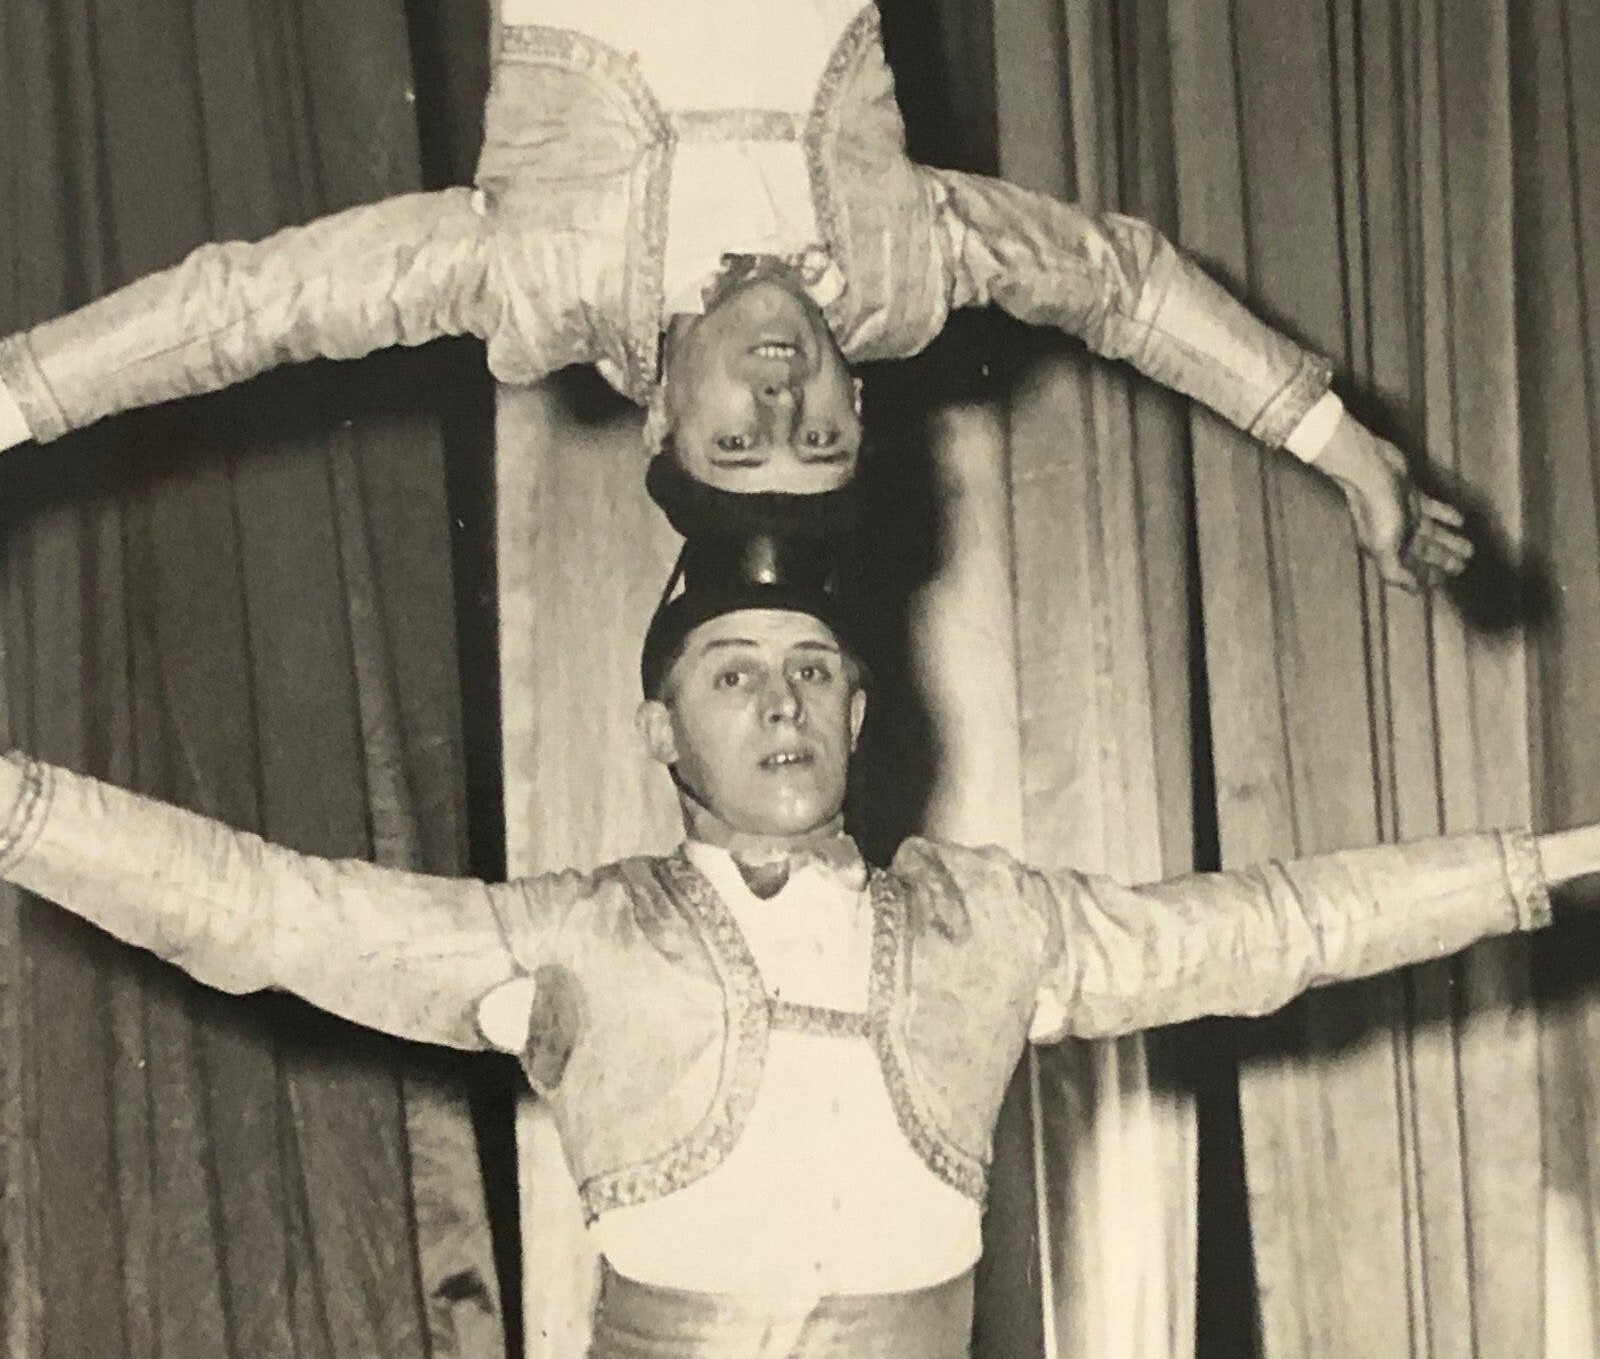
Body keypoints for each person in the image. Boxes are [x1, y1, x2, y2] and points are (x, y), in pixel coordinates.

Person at [0, 534, 1585, 1357]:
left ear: (863, 714)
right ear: (660, 730)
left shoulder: (994, 924)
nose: (782, 703)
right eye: (735, 673)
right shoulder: (576, 935)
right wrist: (22, 811)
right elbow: (271, 915)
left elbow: (1273, 928)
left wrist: (1553, 865)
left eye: (815, 670)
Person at [0, 0, 1470, 583]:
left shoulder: (541, 287)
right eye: (819, 437)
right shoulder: (900, 278)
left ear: (658, 428)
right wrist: (1336, 442)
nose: (782, 402)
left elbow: (244, 309)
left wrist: (13, 400)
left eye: (740, 440)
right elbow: (1120, 283)